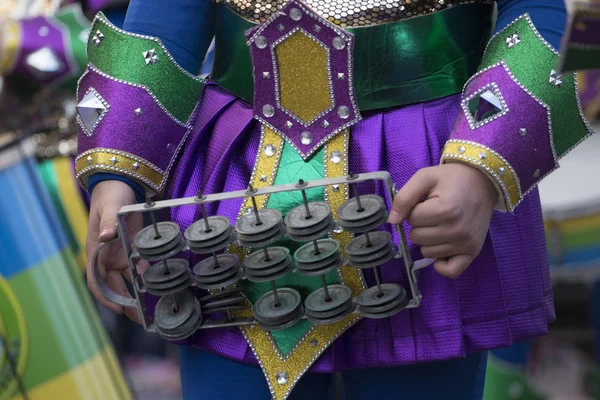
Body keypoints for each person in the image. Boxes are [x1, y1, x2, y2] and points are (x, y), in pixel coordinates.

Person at [76, 0, 595, 398]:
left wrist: (479, 166)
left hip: (425, 185)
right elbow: (162, 24)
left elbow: (559, 14)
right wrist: (117, 175)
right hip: (233, 187)